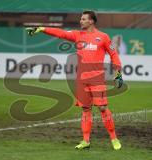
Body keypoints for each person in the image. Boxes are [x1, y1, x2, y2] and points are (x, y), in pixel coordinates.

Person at [25, 10, 123, 150]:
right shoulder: (78, 35)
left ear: (91, 21)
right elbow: (61, 33)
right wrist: (42, 29)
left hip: (97, 79)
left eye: (83, 19)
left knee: (102, 108)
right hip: (81, 80)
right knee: (85, 109)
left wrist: (118, 72)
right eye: (81, 19)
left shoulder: (103, 37)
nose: (80, 21)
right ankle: (86, 141)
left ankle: (114, 138)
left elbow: (114, 53)